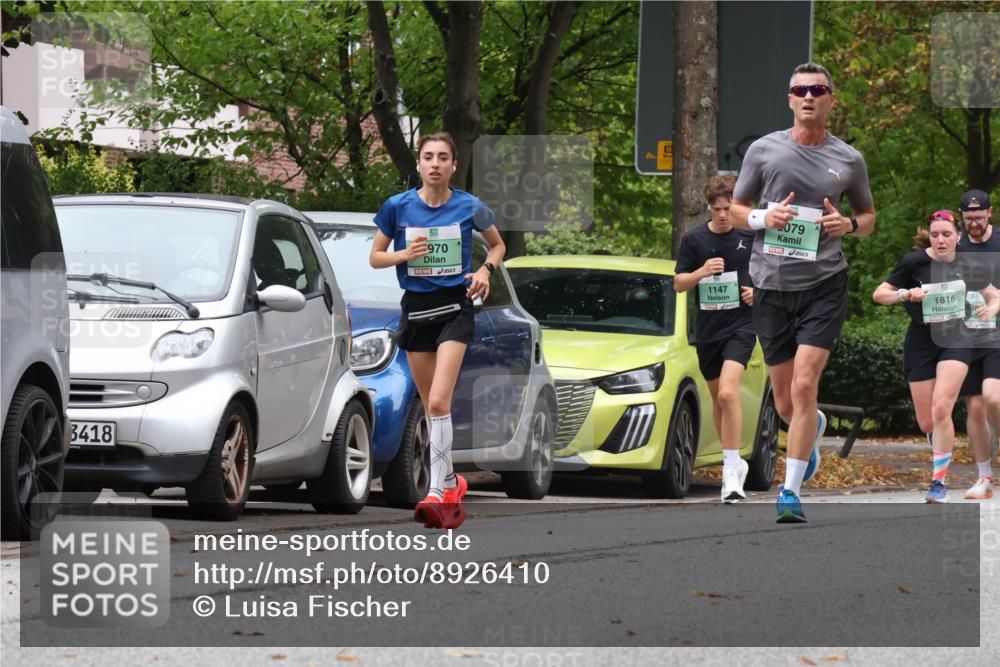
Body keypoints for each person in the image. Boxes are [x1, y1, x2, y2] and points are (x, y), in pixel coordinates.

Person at [730, 62, 877, 523]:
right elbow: (736, 209)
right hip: (771, 286)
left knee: (805, 384)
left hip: (823, 285)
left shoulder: (849, 159)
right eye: (800, 90)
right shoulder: (764, 150)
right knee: (785, 403)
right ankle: (810, 431)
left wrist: (848, 225)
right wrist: (762, 220)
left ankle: (790, 493)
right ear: (790, 99)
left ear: (831, 100)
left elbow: (869, 218)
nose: (809, 96)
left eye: (818, 89)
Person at [369, 131, 505, 528]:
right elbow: (376, 257)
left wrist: (484, 270)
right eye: (428, 156)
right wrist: (403, 254)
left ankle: (436, 489)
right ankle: (452, 481)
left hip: (454, 309)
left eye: (443, 157)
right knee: (431, 408)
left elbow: (498, 246)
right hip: (416, 310)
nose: (434, 164)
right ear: (418, 163)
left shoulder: (470, 206)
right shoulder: (397, 207)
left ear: (453, 165)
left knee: (440, 402)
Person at [872, 210, 1000, 502]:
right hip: (921, 342)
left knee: (943, 408)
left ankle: (938, 484)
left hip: (956, 339)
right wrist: (905, 294)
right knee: (928, 422)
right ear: (928, 237)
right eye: (935, 235)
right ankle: (940, 443)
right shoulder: (913, 262)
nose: (941, 240)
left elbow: (995, 295)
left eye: (946, 234)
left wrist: (990, 309)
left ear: (958, 236)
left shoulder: (969, 265)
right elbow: (879, 294)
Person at [674, 174, 757, 502]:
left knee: (727, 392)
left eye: (728, 207)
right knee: (719, 400)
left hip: (742, 326)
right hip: (708, 330)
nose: (723, 214)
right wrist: (700, 273)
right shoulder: (693, 239)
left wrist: (759, 293)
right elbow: (679, 283)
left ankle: (730, 472)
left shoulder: (750, 238)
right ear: (708, 207)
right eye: (717, 208)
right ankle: (734, 461)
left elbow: (774, 274)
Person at [955, 189, 999, 500]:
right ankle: (984, 477)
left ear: (990, 213)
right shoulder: (956, 246)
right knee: (976, 407)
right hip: (969, 335)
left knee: (993, 399)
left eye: (979, 217)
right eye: (969, 218)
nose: (974, 223)